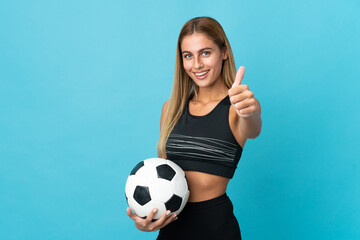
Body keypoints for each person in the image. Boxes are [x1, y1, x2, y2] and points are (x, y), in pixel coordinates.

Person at [127, 16, 262, 240]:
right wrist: (147, 219)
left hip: (216, 230)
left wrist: (249, 110)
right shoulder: (170, 109)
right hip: (172, 230)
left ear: (224, 52)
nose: (197, 64)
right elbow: (160, 177)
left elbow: (254, 128)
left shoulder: (238, 108)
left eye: (205, 52)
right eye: (188, 56)